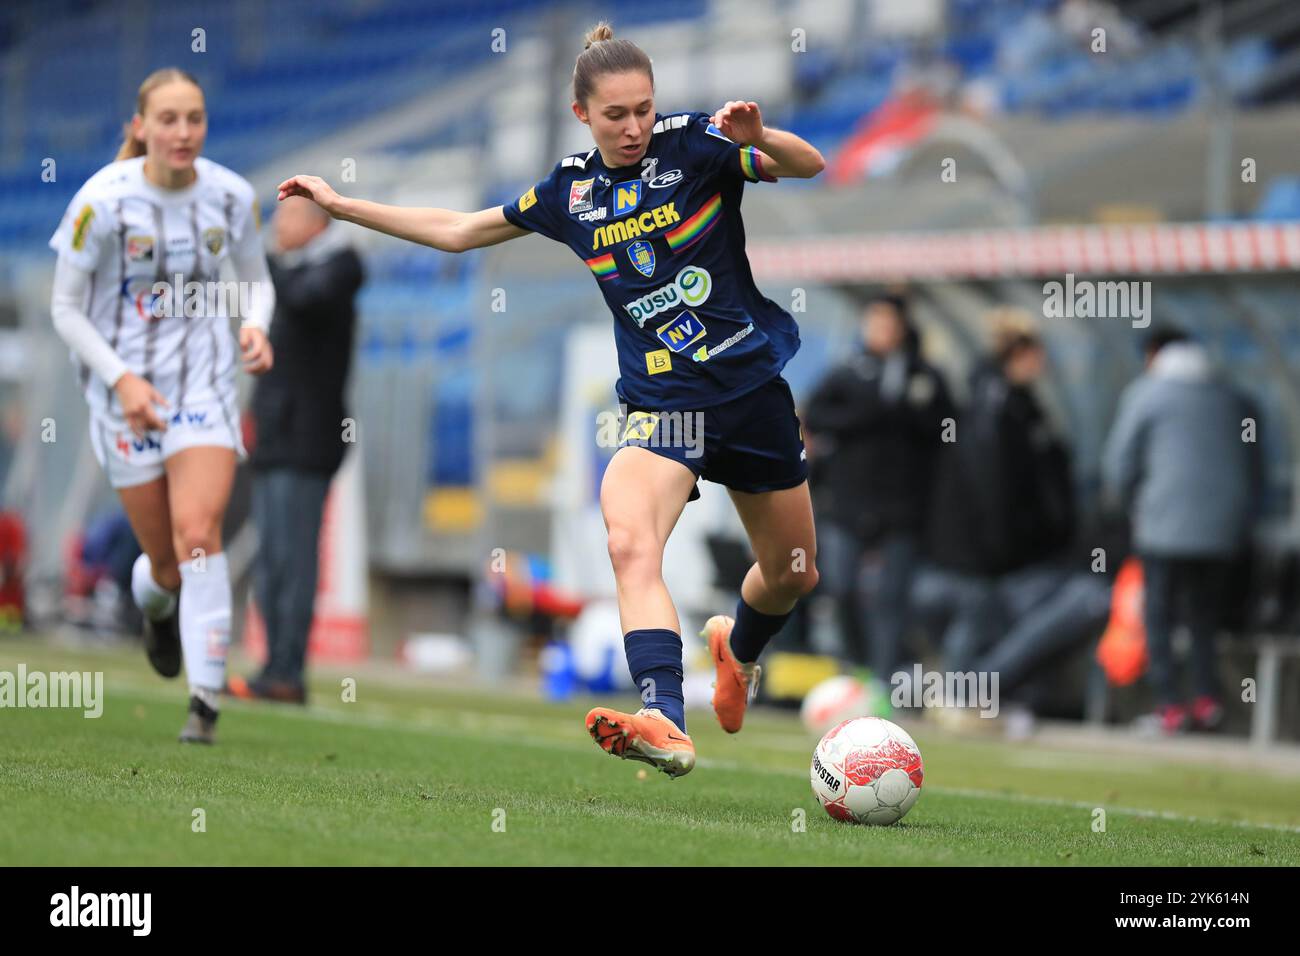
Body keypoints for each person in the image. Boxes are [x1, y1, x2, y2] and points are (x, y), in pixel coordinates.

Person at [277, 21, 825, 777]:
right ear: (582, 115)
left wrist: (764, 136)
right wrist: (346, 208)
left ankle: (741, 651)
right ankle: (665, 713)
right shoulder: (571, 192)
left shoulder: (699, 144)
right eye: (615, 115)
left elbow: (808, 164)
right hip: (664, 408)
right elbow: (462, 229)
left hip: (752, 391)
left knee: (793, 571)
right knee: (630, 542)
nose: (633, 127)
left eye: (643, 108)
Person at [48, 68, 275, 743]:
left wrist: (256, 327)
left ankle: (203, 704)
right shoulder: (102, 202)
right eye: (169, 119)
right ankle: (155, 606)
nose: (183, 132)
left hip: (204, 389)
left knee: (200, 535)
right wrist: (121, 380)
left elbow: (256, 283)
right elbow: (63, 308)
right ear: (141, 126)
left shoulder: (232, 197)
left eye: (195, 118)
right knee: (168, 566)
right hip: (123, 397)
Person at [226, 197, 364, 704]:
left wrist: (259, 263)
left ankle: (289, 670)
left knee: (296, 556)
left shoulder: (341, 265)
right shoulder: (285, 274)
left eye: (288, 219)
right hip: (273, 435)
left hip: (310, 439)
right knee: (272, 559)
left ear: (317, 223)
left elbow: (306, 300)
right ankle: (273, 666)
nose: (279, 229)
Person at [1102, 326, 1262, 734]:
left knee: (1158, 614)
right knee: (1204, 616)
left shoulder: (1146, 394)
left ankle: (1169, 705)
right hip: (1221, 531)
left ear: (1154, 355)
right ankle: (1208, 702)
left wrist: (1127, 508)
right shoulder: (1232, 396)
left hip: (1163, 525)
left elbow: (1119, 464)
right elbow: (1254, 464)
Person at [804, 293, 951, 683]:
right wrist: (870, 413)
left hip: (901, 509)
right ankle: (856, 668)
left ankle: (884, 683)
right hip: (847, 505)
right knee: (842, 587)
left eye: (889, 323)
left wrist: (905, 412)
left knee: (890, 600)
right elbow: (815, 415)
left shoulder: (923, 377)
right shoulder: (847, 373)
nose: (882, 331)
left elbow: (945, 431)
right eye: (875, 322)